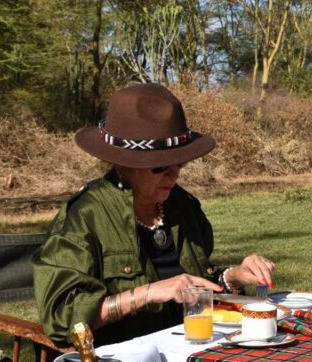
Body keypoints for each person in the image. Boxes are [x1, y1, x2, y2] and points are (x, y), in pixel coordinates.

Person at [35, 82, 275, 347]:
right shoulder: (86, 216)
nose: (175, 175)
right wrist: (148, 293)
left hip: (190, 353)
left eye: (180, 163)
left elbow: (194, 286)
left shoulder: (182, 206)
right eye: (159, 167)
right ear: (125, 165)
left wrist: (233, 277)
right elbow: (62, 318)